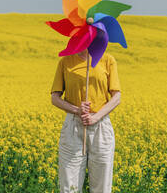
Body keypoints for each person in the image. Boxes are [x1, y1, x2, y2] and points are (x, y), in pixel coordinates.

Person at [50, 48, 121, 193]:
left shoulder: (107, 60)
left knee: (102, 187)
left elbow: (117, 97)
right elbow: (54, 98)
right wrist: (77, 109)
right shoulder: (65, 61)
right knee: (69, 187)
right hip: (74, 125)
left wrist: (95, 117)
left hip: (100, 125)